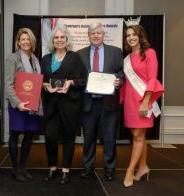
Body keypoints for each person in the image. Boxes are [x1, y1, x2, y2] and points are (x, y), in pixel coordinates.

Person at [77, 22, 124, 181]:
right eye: (92, 33)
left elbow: (121, 73)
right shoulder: (79, 54)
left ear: (104, 34)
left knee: (109, 138)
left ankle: (109, 169)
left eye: (98, 33)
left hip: (109, 103)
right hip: (88, 103)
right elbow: (77, 77)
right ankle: (88, 168)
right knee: (88, 138)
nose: (96, 36)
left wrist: (119, 80)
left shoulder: (116, 52)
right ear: (88, 36)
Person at [41, 25, 87, 185]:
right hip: (50, 105)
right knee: (50, 137)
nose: (59, 40)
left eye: (62, 37)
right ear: (52, 40)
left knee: (68, 137)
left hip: (69, 105)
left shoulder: (74, 57)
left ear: (67, 40)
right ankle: (52, 167)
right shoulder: (45, 58)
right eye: (56, 37)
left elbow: (84, 79)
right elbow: (39, 80)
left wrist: (70, 82)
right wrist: (44, 85)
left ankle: (66, 169)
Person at [121, 24, 165, 187]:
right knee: (138, 136)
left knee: (138, 136)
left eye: (134, 35)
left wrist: (146, 102)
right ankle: (143, 167)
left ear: (141, 37)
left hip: (143, 101)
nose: (131, 38)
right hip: (130, 102)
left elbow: (152, 79)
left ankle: (129, 171)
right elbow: (128, 83)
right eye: (128, 35)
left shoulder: (150, 54)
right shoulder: (127, 58)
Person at [5, 28, 42, 182]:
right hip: (18, 104)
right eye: (23, 39)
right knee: (15, 134)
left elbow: (35, 82)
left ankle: (22, 167)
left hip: (32, 104)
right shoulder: (12, 58)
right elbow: (8, 84)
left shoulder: (35, 59)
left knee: (29, 135)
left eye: (28, 39)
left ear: (32, 41)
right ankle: (15, 169)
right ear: (18, 42)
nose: (26, 42)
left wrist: (44, 85)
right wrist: (18, 103)